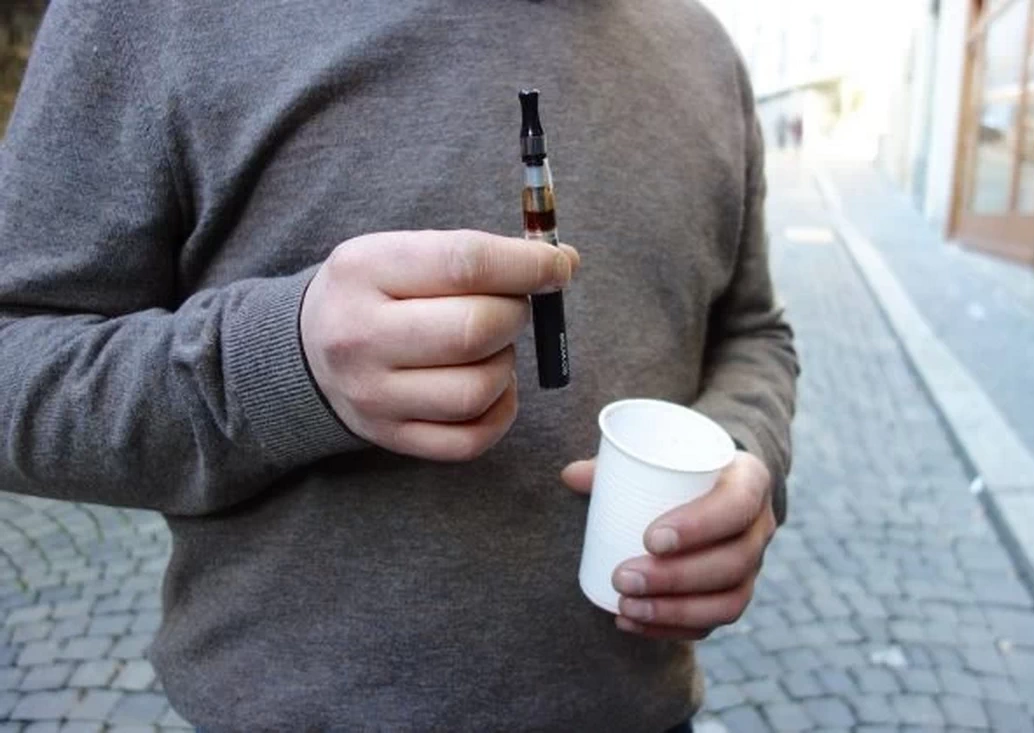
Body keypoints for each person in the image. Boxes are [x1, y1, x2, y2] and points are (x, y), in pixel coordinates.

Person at [0, 0, 798, 730]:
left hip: (643, 711)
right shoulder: (152, 16)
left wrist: (741, 452)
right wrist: (284, 362)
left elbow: (753, 329)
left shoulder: (702, 48)